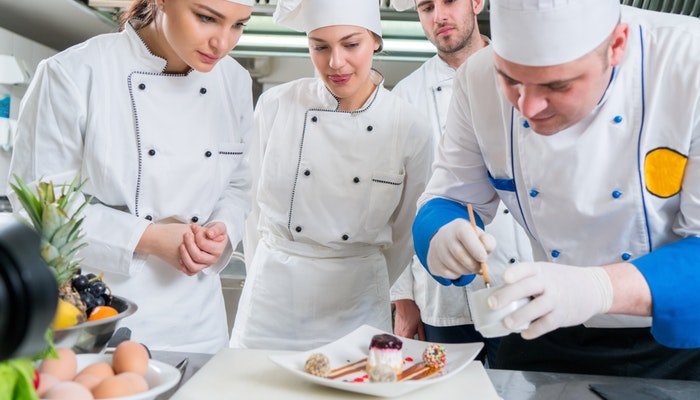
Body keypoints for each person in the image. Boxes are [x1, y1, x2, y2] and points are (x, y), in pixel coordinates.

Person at [412, 0, 700, 380]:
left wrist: (598, 287)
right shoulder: (476, 78)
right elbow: (447, 194)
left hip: (674, 339)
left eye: (557, 84)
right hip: (543, 327)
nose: (528, 107)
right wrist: (440, 233)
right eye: (510, 79)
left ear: (617, 45)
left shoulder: (688, 64)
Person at [9, 0, 255, 353]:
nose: (223, 43)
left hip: (200, 320)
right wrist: (149, 238)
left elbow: (238, 182)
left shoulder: (234, 80)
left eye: (238, 25)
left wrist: (222, 229)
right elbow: (42, 206)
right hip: (102, 312)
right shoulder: (74, 72)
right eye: (206, 18)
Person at [229, 0, 433, 351]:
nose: (335, 62)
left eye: (351, 44)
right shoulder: (276, 105)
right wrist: (265, 265)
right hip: (273, 296)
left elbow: (405, 231)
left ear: (375, 41)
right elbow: (250, 208)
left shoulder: (409, 125)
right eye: (320, 47)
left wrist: (366, 272)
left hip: (357, 302)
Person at [389, 0, 532, 368]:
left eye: (449, 1)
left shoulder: (525, 74)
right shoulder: (404, 97)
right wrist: (402, 298)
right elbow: (395, 206)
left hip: (520, 282)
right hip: (442, 298)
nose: (439, 16)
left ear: (477, 3)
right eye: (426, 7)